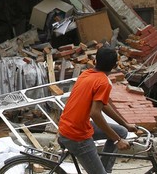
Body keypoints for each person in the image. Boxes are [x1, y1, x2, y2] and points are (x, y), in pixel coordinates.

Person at [57, 46, 137, 174]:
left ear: (95, 61)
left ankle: (103, 170)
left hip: (69, 126)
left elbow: (103, 105)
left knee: (121, 131)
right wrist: (117, 141)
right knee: (118, 136)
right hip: (76, 135)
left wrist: (125, 124)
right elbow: (95, 113)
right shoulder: (103, 82)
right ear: (115, 65)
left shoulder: (86, 74)